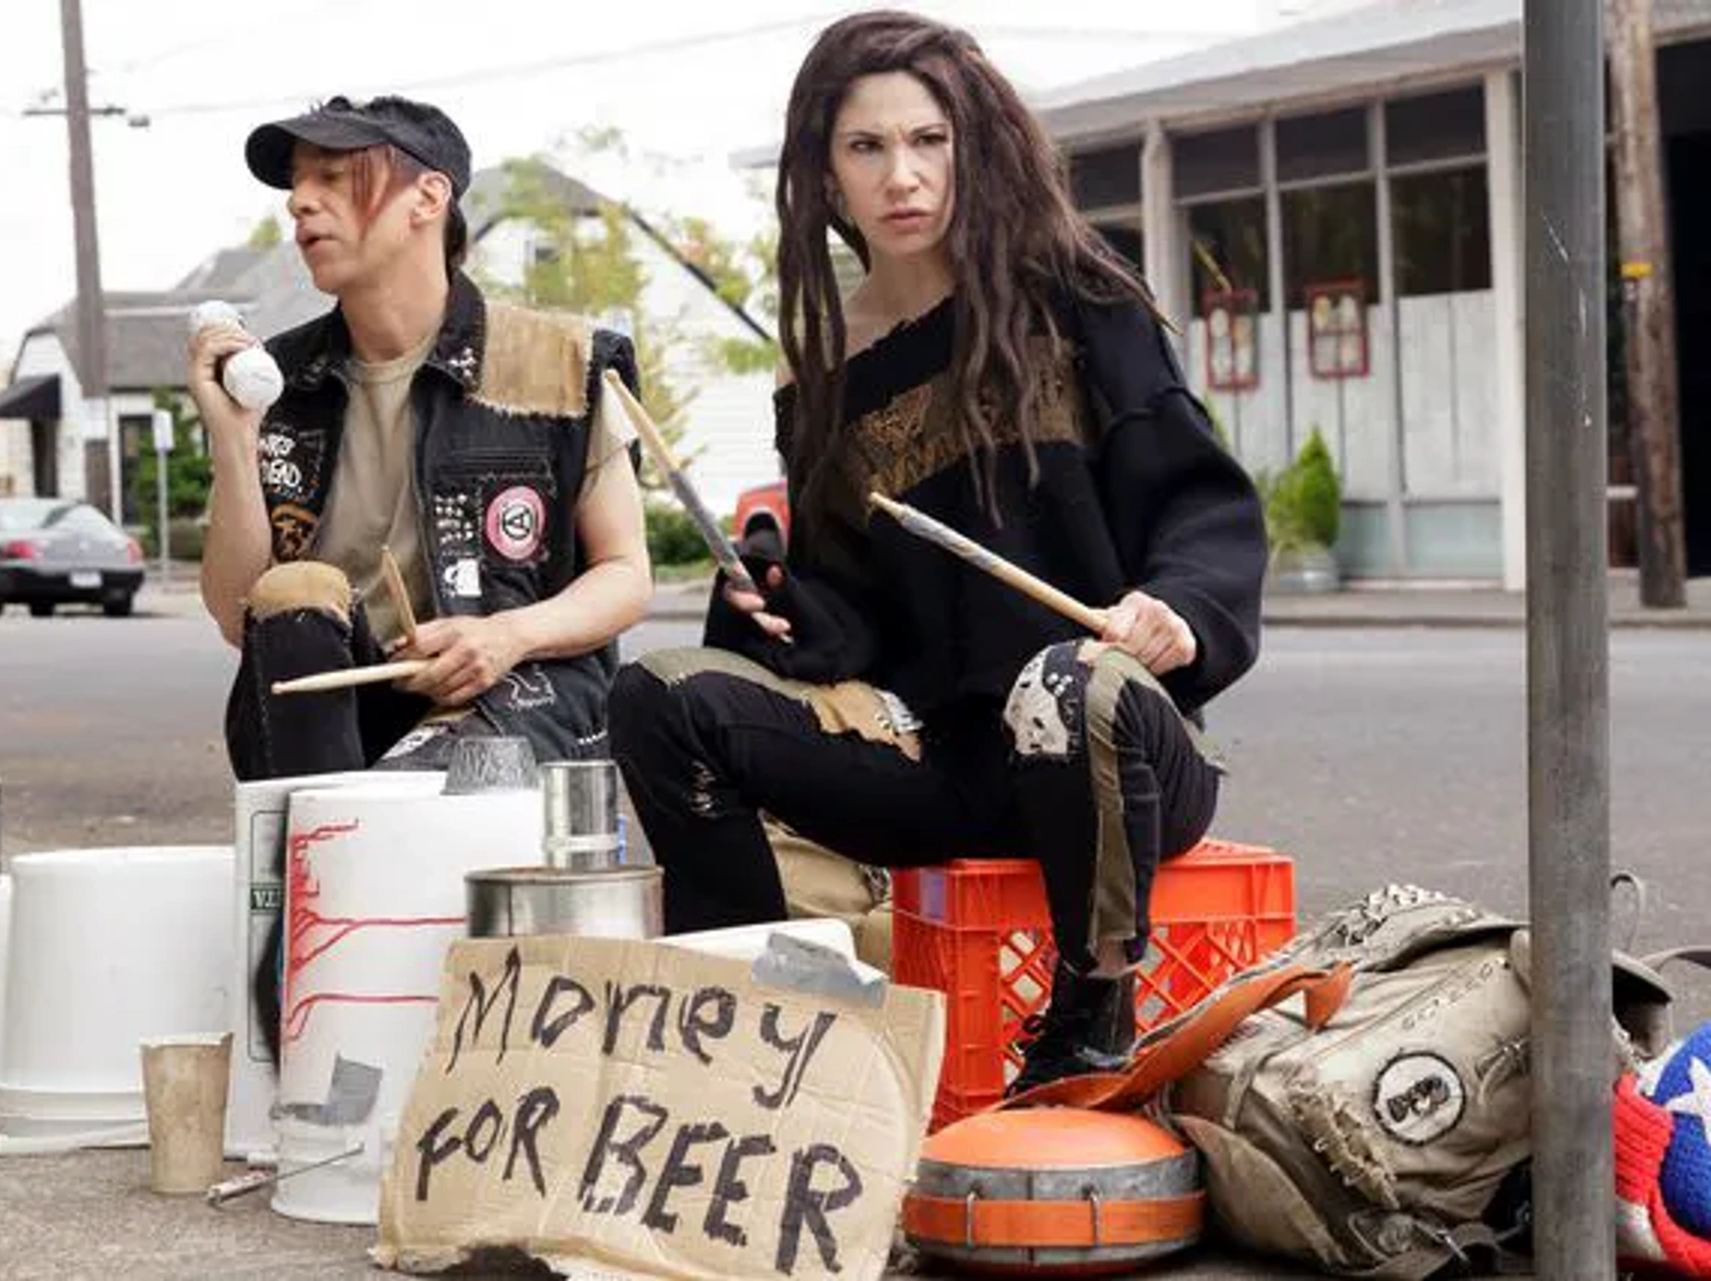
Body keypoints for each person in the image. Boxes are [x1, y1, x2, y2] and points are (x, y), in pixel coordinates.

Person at [607, 12, 1267, 1096]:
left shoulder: (1078, 296)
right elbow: (856, 612)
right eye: (867, 148)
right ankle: (740, 1037)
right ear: (823, 171)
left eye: (929, 141)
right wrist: (782, 605)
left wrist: (1178, 608)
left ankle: (1091, 1018)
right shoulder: (818, 370)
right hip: (943, 765)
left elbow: (1203, 502)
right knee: (661, 697)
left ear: (977, 144)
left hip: (1116, 749)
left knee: (1063, 685)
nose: (901, 176)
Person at [191, 95, 652, 783]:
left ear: (428, 196)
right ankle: (325, 843)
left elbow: (626, 573)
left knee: (396, 810)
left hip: (517, 688)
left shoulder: (555, 361)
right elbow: (239, 616)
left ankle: (340, 840)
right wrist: (234, 440)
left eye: (332, 178)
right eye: (297, 184)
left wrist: (508, 633)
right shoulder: (279, 381)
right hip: (338, 703)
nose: (299, 204)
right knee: (296, 591)